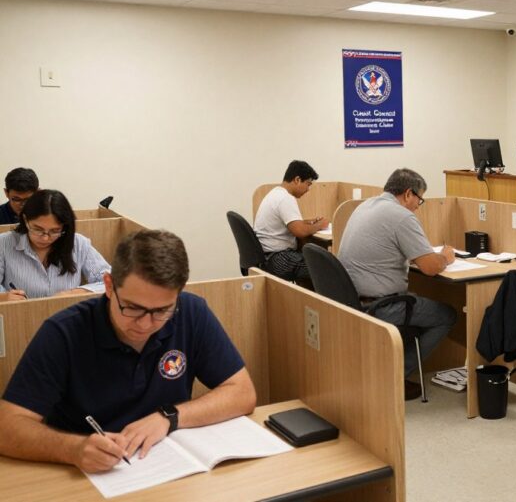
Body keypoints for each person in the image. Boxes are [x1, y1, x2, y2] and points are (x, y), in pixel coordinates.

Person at [0, 229, 256, 472]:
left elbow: (242, 392)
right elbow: (7, 427)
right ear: (109, 286)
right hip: (90, 473)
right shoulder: (62, 333)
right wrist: (73, 449)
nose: (146, 324)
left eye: (161, 311)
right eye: (132, 307)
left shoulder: (191, 312)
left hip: (167, 465)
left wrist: (169, 417)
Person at [338, 168, 457, 401]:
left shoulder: (365, 206)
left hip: (352, 299)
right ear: (408, 194)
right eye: (419, 200)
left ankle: (387, 370)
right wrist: (446, 257)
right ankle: (394, 376)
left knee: (417, 298)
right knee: (447, 315)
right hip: (381, 306)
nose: (417, 206)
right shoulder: (402, 216)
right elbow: (430, 267)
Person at [0, 189, 110, 302]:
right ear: (25, 219)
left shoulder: (78, 244)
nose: (45, 238)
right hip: (19, 316)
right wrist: (4, 297)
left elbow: (111, 281)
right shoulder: (4, 243)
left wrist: (73, 293)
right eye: (38, 229)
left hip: (67, 316)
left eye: (55, 231)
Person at [253, 160, 328, 284]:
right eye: (308, 184)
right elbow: (300, 232)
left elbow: (292, 224)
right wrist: (321, 225)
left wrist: (308, 223)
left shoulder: (275, 193)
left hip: (267, 257)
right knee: (324, 267)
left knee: (315, 262)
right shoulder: (285, 198)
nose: (308, 189)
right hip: (278, 259)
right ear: (297, 180)